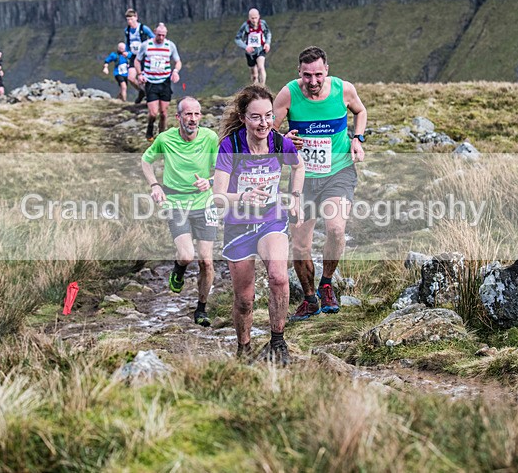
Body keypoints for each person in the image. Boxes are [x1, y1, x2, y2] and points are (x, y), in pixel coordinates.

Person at [273, 46, 367, 322]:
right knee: (300, 246)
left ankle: (327, 284)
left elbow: (360, 112)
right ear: (298, 73)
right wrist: (286, 140)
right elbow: (270, 133)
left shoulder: (343, 90)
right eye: (306, 76)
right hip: (303, 178)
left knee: (336, 229)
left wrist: (357, 139)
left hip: (338, 172)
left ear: (326, 70)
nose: (312, 82)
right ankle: (310, 299)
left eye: (317, 75)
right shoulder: (288, 94)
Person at [213, 85, 304, 365]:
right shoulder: (231, 146)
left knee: (278, 276)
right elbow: (217, 197)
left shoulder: (279, 142)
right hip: (238, 226)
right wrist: (242, 196)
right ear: (243, 118)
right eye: (256, 117)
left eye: (268, 116)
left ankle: (278, 341)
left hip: (271, 221)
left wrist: (296, 197)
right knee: (245, 299)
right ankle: (244, 348)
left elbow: (298, 166)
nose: (263, 123)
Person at [141, 96, 218, 327]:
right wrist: (155, 185)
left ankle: (201, 309)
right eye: (188, 114)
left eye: (196, 114)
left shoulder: (210, 138)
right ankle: (178, 269)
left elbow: (224, 169)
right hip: (176, 203)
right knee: (187, 255)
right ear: (179, 117)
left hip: (205, 203)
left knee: (206, 261)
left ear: (200, 116)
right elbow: (146, 161)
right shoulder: (165, 139)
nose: (192, 119)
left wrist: (210, 181)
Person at [135, 23, 182, 142]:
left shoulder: (170, 45)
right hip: (150, 82)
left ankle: (162, 136)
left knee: (164, 113)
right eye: (159, 35)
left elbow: (178, 61)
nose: (161, 37)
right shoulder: (146, 45)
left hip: (165, 82)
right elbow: (137, 60)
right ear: (154, 33)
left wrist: (175, 71)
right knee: (153, 113)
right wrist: (140, 74)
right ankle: (150, 129)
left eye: (163, 35)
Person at [124, 8, 155, 104]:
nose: (130, 22)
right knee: (130, 78)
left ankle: (150, 96)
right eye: (128, 20)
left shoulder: (143, 28)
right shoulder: (127, 30)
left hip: (144, 56)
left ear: (136, 18)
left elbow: (153, 38)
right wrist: (127, 53)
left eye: (131, 19)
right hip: (133, 56)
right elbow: (127, 43)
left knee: (144, 78)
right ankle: (142, 91)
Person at [234, 8, 272, 86]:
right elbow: (237, 38)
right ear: (249, 17)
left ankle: (263, 87)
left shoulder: (263, 24)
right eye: (252, 18)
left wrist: (267, 43)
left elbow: (268, 33)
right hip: (250, 52)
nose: (254, 20)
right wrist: (245, 47)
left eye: (256, 18)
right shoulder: (245, 26)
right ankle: (255, 88)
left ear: (259, 16)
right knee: (254, 74)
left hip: (260, 49)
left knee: (261, 67)